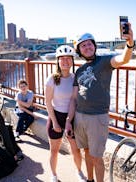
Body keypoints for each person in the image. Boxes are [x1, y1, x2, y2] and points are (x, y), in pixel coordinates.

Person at [66, 24, 134, 182]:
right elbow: (74, 98)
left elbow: (123, 59)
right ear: (79, 51)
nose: (87, 47)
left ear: (94, 46)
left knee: (97, 157)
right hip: (79, 117)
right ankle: (90, 179)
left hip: (97, 118)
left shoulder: (104, 62)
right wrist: (69, 121)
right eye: (83, 45)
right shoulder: (79, 70)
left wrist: (130, 43)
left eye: (89, 43)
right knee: (87, 153)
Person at [45, 45, 85, 182]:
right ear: (58, 61)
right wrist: (55, 122)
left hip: (72, 117)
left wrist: (70, 120)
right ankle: (54, 175)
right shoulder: (52, 79)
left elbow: (75, 100)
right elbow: (48, 102)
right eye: (62, 59)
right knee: (54, 150)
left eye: (69, 59)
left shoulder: (75, 78)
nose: (66, 61)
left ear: (73, 61)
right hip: (55, 116)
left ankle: (79, 173)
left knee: (75, 150)